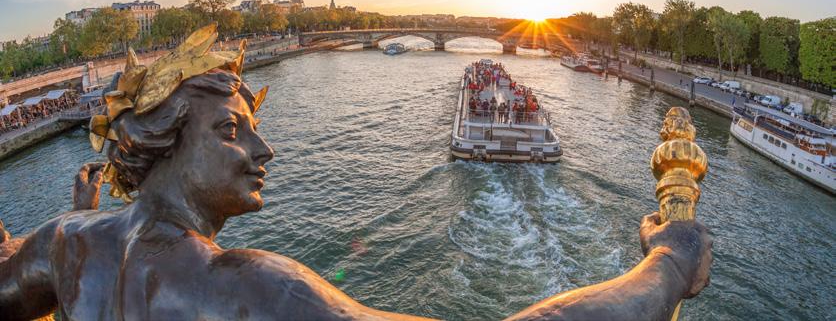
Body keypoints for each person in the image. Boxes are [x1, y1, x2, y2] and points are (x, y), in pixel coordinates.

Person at [0, 28, 712, 320]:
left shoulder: (67, 240)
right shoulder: (250, 287)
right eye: (232, 129)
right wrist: (669, 266)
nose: (264, 151)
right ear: (164, 142)